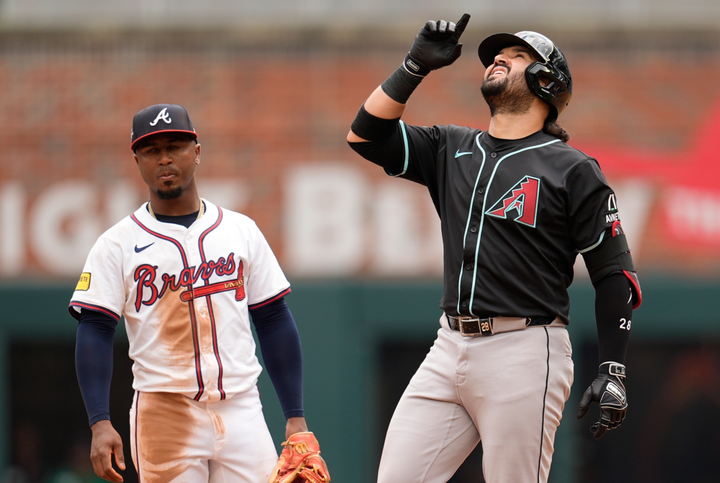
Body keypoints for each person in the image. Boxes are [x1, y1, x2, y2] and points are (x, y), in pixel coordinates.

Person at [347, 14, 641, 483]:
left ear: (548, 80)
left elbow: (614, 273)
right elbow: (365, 135)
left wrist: (614, 367)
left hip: (524, 347)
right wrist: (413, 67)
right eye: (496, 56)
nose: (499, 58)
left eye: (518, 55)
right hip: (449, 345)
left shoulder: (572, 168)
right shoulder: (452, 146)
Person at [69, 104, 320, 483]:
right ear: (137, 160)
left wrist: (295, 416)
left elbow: (273, 319)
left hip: (242, 407)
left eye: (176, 146)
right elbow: (95, 330)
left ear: (197, 152)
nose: (165, 158)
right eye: (152, 150)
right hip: (163, 413)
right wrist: (99, 422)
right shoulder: (116, 244)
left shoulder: (241, 230)